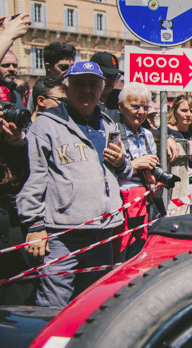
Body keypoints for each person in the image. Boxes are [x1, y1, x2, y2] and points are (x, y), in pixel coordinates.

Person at [17, 61, 132, 308]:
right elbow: (32, 179)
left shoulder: (108, 125)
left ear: (102, 89)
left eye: (93, 84)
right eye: (79, 84)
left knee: (92, 303)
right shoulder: (46, 125)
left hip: (102, 231)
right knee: (54, 305)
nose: (87, 90)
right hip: (61, 234)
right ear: (67, 88)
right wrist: (34, 225)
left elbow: (123, 172)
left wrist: (122, 162)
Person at [0, 13, 35, 305]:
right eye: (4, 64)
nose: (11, 69)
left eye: (15, 64)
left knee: (18, 296)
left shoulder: (16, 99)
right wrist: (6, 36)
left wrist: (15, 142)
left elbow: (27, 158)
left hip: (11, 209)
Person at [114, 82, 163, 260]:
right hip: (122, 201)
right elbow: (108, 172)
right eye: (135, 106)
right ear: (121, 107)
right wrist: (134, 164)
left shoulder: (147, 135)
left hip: (143, 200)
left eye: (145, 107)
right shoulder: (114, 133)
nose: (141, 112)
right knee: (121, 253)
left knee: (139, 251)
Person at [26, 41, 76, 112]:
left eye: (72, 67)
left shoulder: (73, 89)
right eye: (63, 67)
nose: (69, 71)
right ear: (48, 67)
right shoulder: (38, 90)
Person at [90, 51, 123, 122]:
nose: (112, 80)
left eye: (116, 76)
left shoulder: (121, 98)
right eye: (107, 75)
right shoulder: (85, 100)